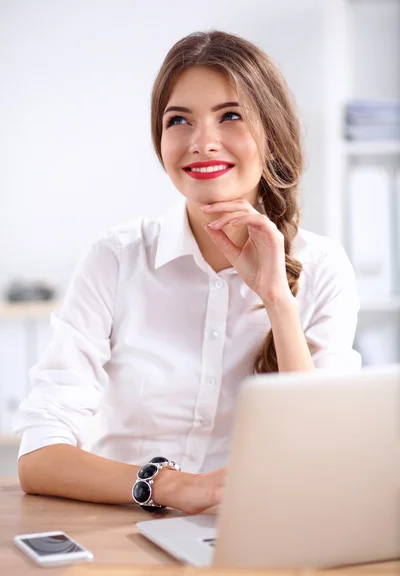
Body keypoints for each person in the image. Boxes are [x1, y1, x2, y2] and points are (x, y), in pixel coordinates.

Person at [15, 30, 360, 515]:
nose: (202, 143)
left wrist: (278, 301)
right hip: (121, 529)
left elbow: (323, 457)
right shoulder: (116, 259)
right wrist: (171, 486)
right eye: (179, 120)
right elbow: (38, 457)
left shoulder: (323, 268)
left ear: (273, 133)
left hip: (257, 528)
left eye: (230, 116)